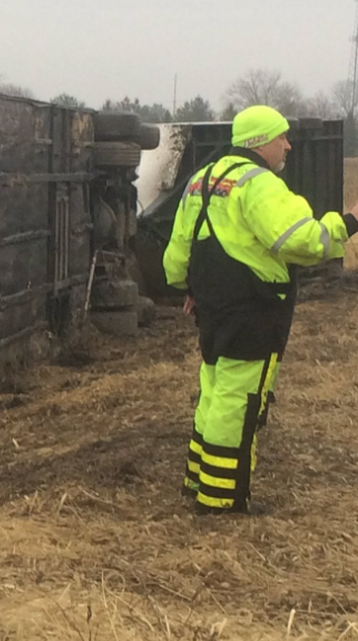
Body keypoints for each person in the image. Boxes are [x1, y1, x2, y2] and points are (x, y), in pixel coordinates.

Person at [163, 105, 358, 515]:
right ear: (261, 142)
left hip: (212, 308)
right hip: (253, 309)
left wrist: (191, 288)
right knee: (240, 400)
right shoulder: (259, 184)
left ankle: (198, 481)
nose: (288, 145)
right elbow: (301, 241)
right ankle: (221, 499)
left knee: (215, 391)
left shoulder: (202, 180)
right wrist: (348, 223)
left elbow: (176, 255)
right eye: (282, 137)